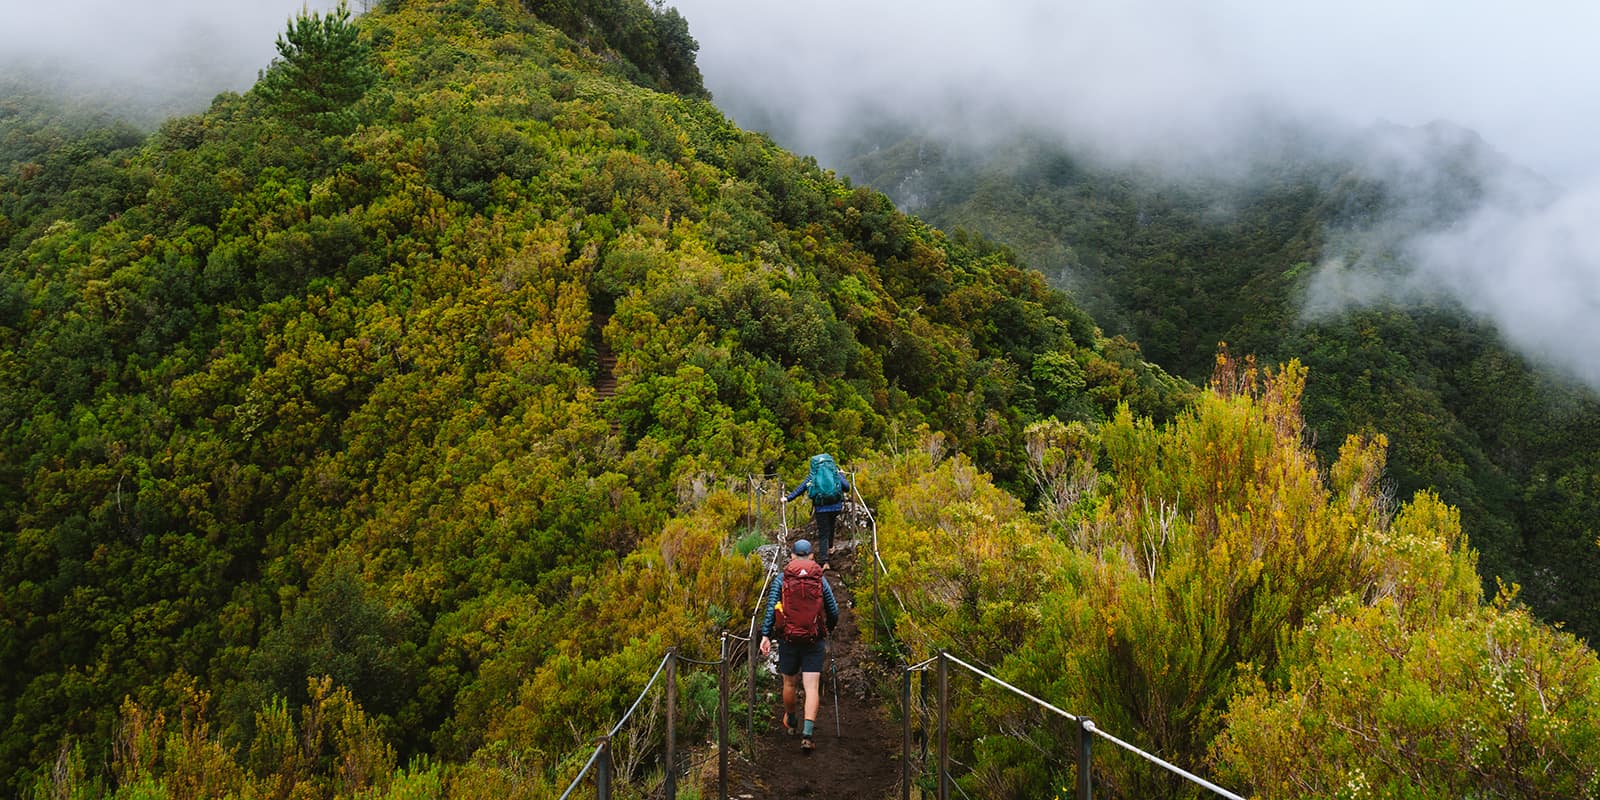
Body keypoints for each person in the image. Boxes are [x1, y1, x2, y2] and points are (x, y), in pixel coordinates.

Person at [759, 539, 840, 752]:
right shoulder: (819, 578)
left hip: (788, 638)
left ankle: (792, 719)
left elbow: (771, 608)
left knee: (789, 683)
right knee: (811, 687)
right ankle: (807, 734)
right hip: (814, 639)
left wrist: (766, 634)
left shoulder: (782, 578)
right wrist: (828, 628)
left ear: (792, 556)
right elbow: (833, 609)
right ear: (812, 556)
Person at [782, 454, 852, 571]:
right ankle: (830, 547)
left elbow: (801, 487)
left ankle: (824, 562)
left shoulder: (813, 475)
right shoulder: (834, 472)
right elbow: (846, 487)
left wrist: (788, 498)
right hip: (836, 506)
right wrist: (842, 475)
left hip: (821, 508)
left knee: (823, 533)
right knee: (832, 525)